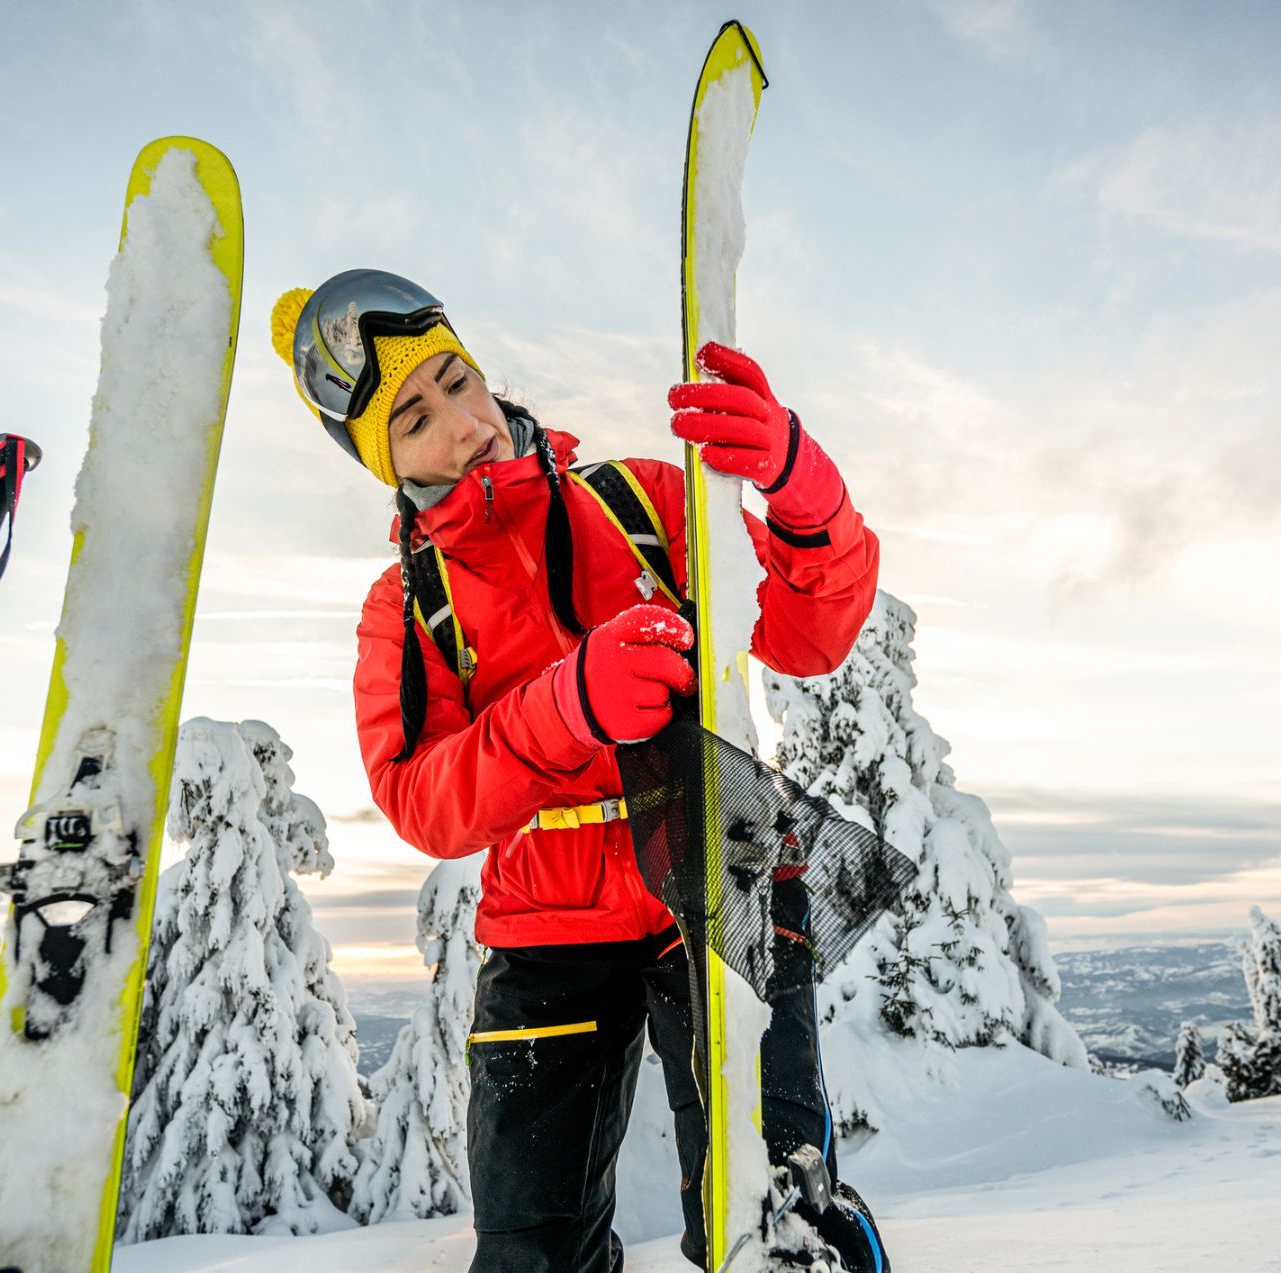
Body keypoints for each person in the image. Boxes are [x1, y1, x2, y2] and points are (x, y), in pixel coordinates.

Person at [270, 270, 889, 1272]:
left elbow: (810, 632)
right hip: (544, 929)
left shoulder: (639, 499)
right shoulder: (408, 604)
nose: (462, 423)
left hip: (718, 865)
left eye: (454, 378)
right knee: (530, 1251)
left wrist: (799, 482)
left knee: (774, 1212)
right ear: (380, 459)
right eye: (416, 418)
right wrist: (566, 708)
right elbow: (417, 798)